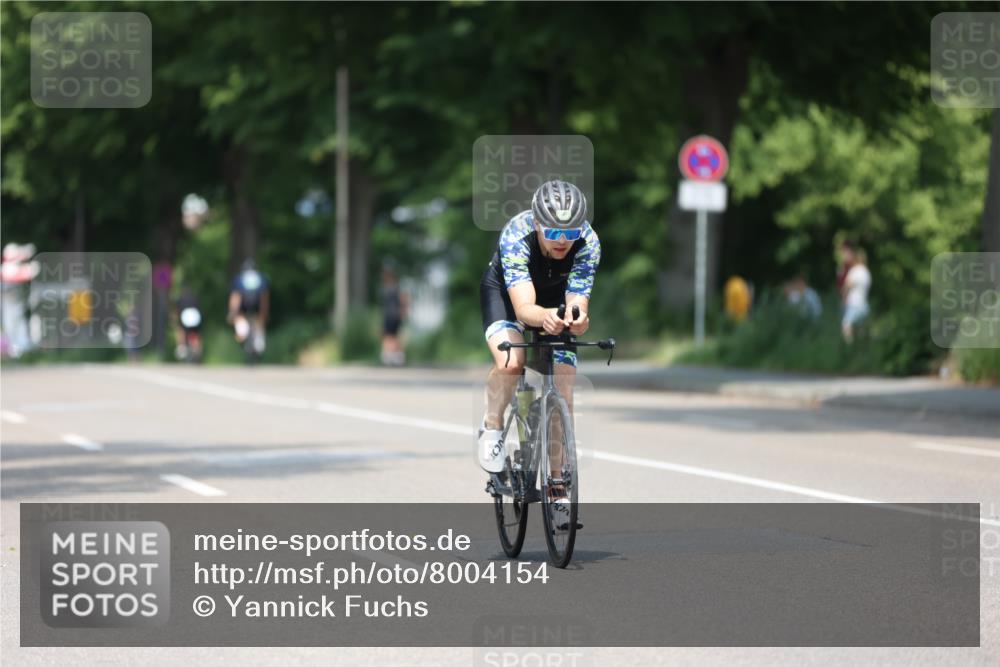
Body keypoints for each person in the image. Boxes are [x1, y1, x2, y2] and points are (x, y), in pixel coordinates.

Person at [477, 180, 600, 518]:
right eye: (554, 232)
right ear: (537, 223)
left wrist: (578, 318)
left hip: (554, 301)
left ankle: (557, 482)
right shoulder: (517, 235)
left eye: (571, 232)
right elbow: (524, 309)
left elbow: (577, 300)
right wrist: (544, 317)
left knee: (564, 385)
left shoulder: (588, 242)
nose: (563, 241)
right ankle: (491, 425)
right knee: (511, 362)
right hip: (508, 297)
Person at [227, 258, 270, 356]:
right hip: (257, 306)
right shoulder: (261, 278)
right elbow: (264, 297)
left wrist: (232, 312)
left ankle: (241, 337)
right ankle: (259, 341)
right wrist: (264, 312)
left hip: (243, 307)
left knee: (238, 321)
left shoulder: (239, 278)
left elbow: (235, 297)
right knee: (260, 321)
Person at [840, 246, 871, 342]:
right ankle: (861, 351)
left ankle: (849, 347)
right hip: (864, 304)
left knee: (846, 325)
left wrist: (843, 298)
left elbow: (847, 286)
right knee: (861, 331)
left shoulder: (855, 271)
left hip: (853, 304)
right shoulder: (866, 272)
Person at [380, 265, 409, 366]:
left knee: (394, 335)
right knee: (387, 335)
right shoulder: (386, 286)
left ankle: (397, 356)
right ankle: (389, 356)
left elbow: (404, 298)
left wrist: (404, 310)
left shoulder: (396, 286)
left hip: (395, 314)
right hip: (388, 314)